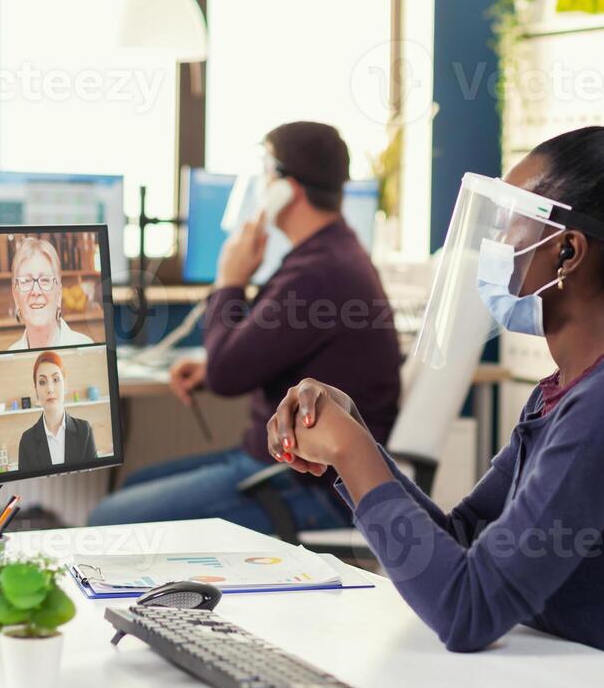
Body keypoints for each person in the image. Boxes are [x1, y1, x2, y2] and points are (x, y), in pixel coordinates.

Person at [265, 104, 604, 681]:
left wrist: (351, 454)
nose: (497, 240)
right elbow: (461, 540)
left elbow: (468, 610)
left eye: (513, 221)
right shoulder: (568, 390)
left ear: (567, 252)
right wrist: (352, 443)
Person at [89, 122, 401, 534]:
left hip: (309, 488)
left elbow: (226, 376)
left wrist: (230, 278)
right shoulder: (331, 254)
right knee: (131, 488)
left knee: (106, 520)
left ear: (286, 189)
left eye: (267, 171)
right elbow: (260, 348)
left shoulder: (317, 273)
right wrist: (213, 359)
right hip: (285, 468)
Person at [6, 237, 92, 350]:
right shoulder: (10, 357)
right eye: (26, 281)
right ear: (16, 297)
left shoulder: (86, 349)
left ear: (59, 294)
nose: (36, 291)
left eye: (45, 280)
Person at [17, 350, 98, 471]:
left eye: (56, 380)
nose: (50, 389)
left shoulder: (84, 431)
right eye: (42, 382)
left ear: (65, 384)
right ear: (36, 390)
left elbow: (93, 477)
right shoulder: (27, 440)